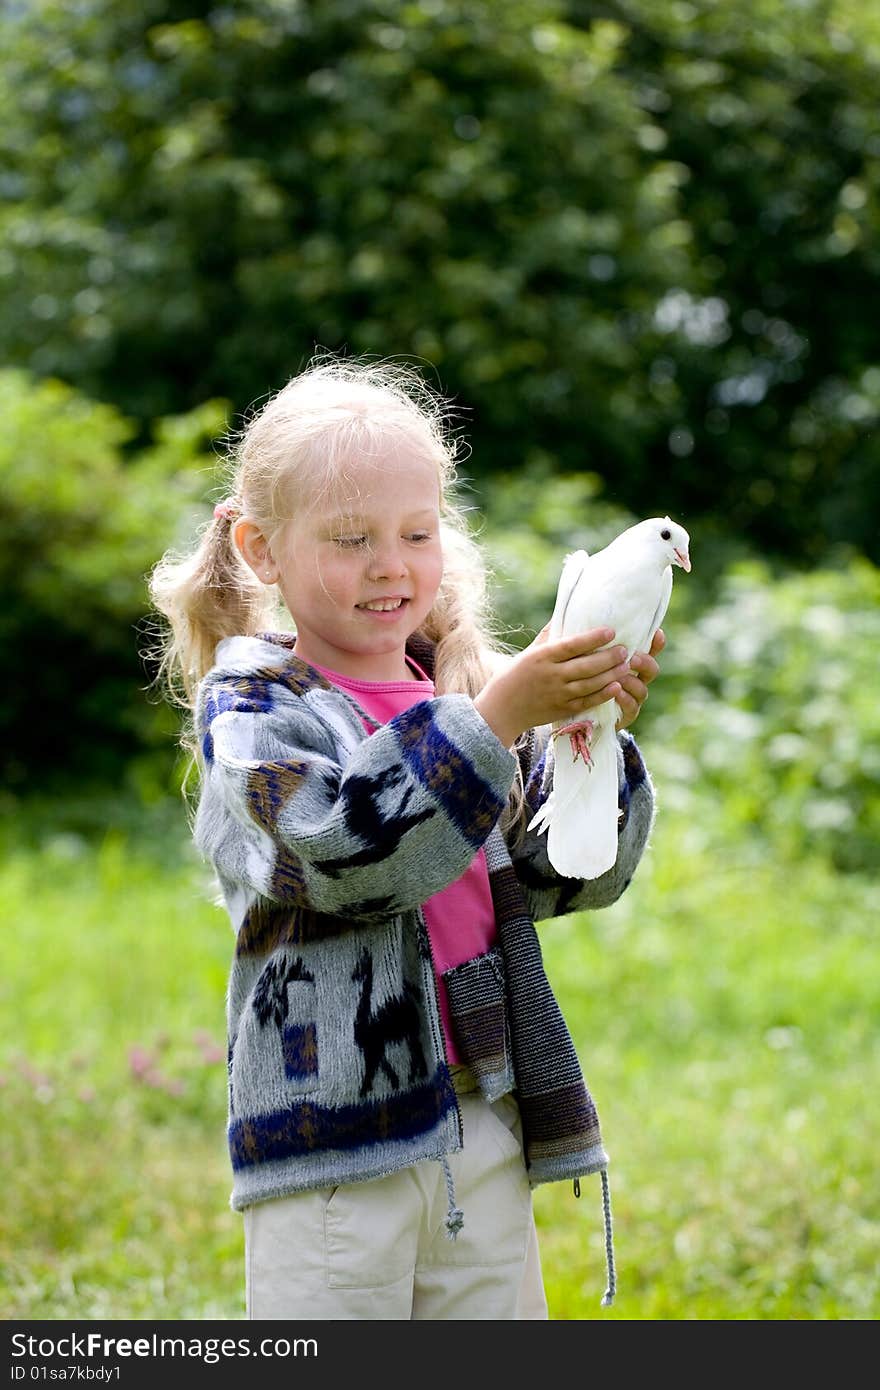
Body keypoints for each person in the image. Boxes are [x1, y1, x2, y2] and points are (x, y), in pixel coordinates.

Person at [148, 356, 664, 1321]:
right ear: (262, 549)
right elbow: (347, 855)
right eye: (351, 538)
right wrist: (500, 717)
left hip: (483, 1110)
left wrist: (591, 742)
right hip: (336, 1139)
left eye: (417, 533)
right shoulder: (256, 707)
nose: (391, 565)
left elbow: (562, 878)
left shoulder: (453, 699)